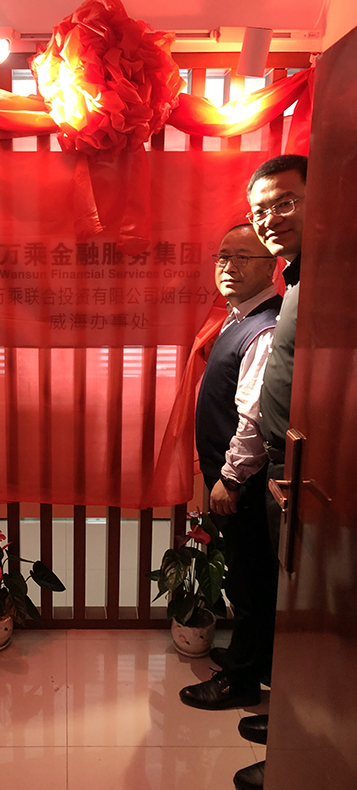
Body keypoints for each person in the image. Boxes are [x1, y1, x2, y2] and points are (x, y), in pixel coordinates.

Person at [178, 224, 281, 713]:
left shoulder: (264, 327)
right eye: (223, 257)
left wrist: (232, 477)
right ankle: (253, 657)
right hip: (230, 474)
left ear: (272, 265)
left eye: (243, 257)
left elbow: (254, 417)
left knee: (250, 578)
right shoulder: (238, 317)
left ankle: (240, 680)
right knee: (247, 571)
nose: (228, 266)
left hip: (246, 480)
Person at [232, 154, 308, 790]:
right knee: (291, 605)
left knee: (308, 614)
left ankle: (303, 747)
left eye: (285, 202)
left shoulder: (328, 281)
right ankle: (292, 721)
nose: (271, 218)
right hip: (290, 472)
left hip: (309, 475)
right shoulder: (304, 281)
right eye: (261, 209)